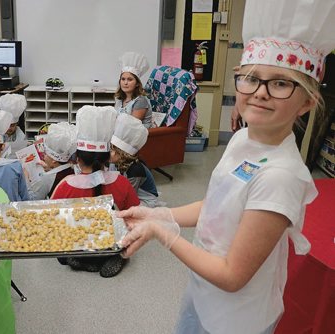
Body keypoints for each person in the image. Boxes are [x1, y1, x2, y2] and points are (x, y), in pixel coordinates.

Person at [119, 0, 335, 333]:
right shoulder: (242, 141)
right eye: (250, 78)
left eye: (280, 83)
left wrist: (162, 233)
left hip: (236, 318)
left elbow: (233, 276)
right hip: (204, 292)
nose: (260, 92)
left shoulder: (281, 176)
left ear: (306, 101)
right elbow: (216, 206)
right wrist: (158, 214)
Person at [52, 106, 140, 278]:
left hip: (78, 241)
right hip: (111, 240)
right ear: (108, 158)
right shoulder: (121, 181)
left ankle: (79, 256)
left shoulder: (65, 185)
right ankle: (114, 254)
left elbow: (52, 220)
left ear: (77, 159)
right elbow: (134, 216)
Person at [110, 113, 160, 207]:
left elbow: (129, 196)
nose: (108, 153)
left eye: (112, 150)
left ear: (122, 153)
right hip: (130, 193)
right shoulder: (115, 162)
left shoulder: (135, 170)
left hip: (145, 200)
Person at [27, 122, 77, 200]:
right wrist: (50, 169)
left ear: (54, 160)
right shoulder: (75, 169)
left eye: (46, 154)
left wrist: (27, 180)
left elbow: (33, 200)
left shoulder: (47, 178)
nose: (44, 156)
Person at [114, 52, 153, 128]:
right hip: (121, 131)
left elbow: (131, 126)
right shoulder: (119, 98)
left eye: (130, 79)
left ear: (137, 83)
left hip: (138, 135)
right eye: (123, 79)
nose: (125, 83)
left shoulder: (141, 100)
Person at [0, 93, 28, 159]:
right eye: (7, 125)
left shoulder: (21, 136)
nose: (9, 128)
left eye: (12, 125)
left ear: (16, 124)